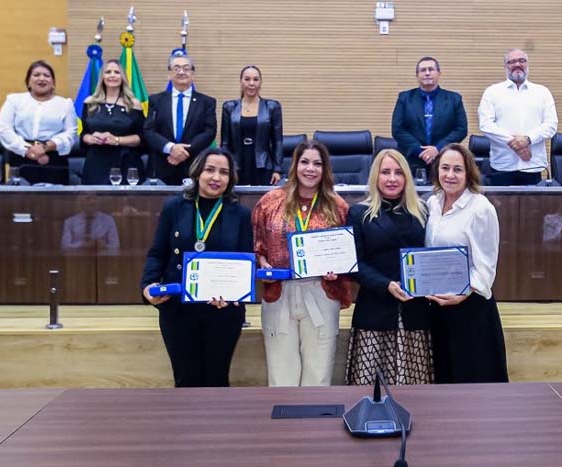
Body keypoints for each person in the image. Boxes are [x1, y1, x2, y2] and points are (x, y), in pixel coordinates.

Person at [140, 147, 252, 387]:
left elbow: (246, 262)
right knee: (185, 379)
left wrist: (233, 295)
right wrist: (148, 285)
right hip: (178, 311)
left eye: (223, 172)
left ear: (230, 178)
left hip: (223, 312)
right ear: (197, 172)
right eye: (210, 170)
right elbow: (157, 253)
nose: (216, 178)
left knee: (217, 379)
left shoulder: (241, 214)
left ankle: (218, 426)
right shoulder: (174, 207)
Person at [251, 140, 351, 387]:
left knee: (318, 375)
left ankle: (316, 426)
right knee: (281, 375)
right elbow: (256, 246)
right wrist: (263, 265)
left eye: (317, 163)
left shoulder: (337, 206)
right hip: (279, 292)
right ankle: (285, 427)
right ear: (294, 166)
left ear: (325, 169)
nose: (310, 169)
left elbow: (345, 252)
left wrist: (335, 269)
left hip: (321, 292)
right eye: (304, 162)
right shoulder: (269, 202)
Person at [345, 149, 432, 385]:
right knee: (368, 387)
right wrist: (386, 285)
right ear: (375, 177)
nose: (392, 178)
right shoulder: (359, 213)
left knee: (417, 388)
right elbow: (354, 264)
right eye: (385, 172)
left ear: (407, 177)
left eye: (398, 172)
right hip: (375, 309)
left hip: (416, 311)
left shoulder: (423, 211)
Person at [424, 143, 508, 383]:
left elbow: (487, 264)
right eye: (445, 168)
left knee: (473, 380)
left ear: (468, 173)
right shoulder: (432, 203)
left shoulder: (481, 208)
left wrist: (465, 292)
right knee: (445, 377)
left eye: (457, 169)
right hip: (439, 307)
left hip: (470, 309)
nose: (450, 175)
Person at [478, 48, 558, 186]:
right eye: (512, 61)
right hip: (502, 166)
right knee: (501, 208)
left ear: (528, 64)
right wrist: (515, 144)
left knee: (533, 208)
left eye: (522, 61)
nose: (517, 64)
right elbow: (485, 124)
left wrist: (527, 139)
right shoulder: (492, 92)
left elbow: (551, 125)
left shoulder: (542, 92)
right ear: (505, 66)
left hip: (532, 165)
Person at [0, 60, 77, 181]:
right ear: (28, 82)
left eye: (46, 75)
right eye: (36, 75)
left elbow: (71, 133)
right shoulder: (14, 100)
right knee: (19, 199)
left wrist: (45, 147)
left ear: (53, 82)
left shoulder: (65, 104)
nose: (41, 78)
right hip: (21, 157)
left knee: (56, 199)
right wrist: (28, 150)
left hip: (53, 159)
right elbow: (5, 130)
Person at [143, 54, 217, 185]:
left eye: (186, 68)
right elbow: (149, 131)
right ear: (169, 74)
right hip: (162, 165)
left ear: (193, 74)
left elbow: (209, 131)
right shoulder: (156, 100)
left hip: (194, 166)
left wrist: (184, 151)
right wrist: (171, 148)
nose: (181, 72)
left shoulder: (206, 102)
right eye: (176, 68)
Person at [391, 56, 467, 177]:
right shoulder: (404, 98)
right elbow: (397, 129)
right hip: (412, 160)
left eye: (431, 69)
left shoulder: (454, 99)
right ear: (417, 75)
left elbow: (461, 129)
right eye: (423, 70)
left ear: (439, 73)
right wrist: (421, 151)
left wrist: (438, 149)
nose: (427, 73)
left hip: (444, 160)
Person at [80, 59, 145, 185]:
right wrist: (90, 138)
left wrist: (116, 140)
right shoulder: (90, 102)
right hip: (96, 163)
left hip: (125, 162)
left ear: (123, 77)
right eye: (108, 72)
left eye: (117, 72)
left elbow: (141, 138)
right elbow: (84, 134)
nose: (112, 75)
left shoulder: (133, 104)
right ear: (102, 77)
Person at [220, 65, 283, 186]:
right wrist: (224, 168)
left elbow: (277, 141)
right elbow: (225, 143)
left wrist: (277, 169)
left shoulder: (272, 106)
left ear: (260, 82)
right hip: (236, 167)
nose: (251, 83)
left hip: (263, 165)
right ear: (241, 82)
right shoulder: (229, 107)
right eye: (247, 79)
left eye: (255, 79)